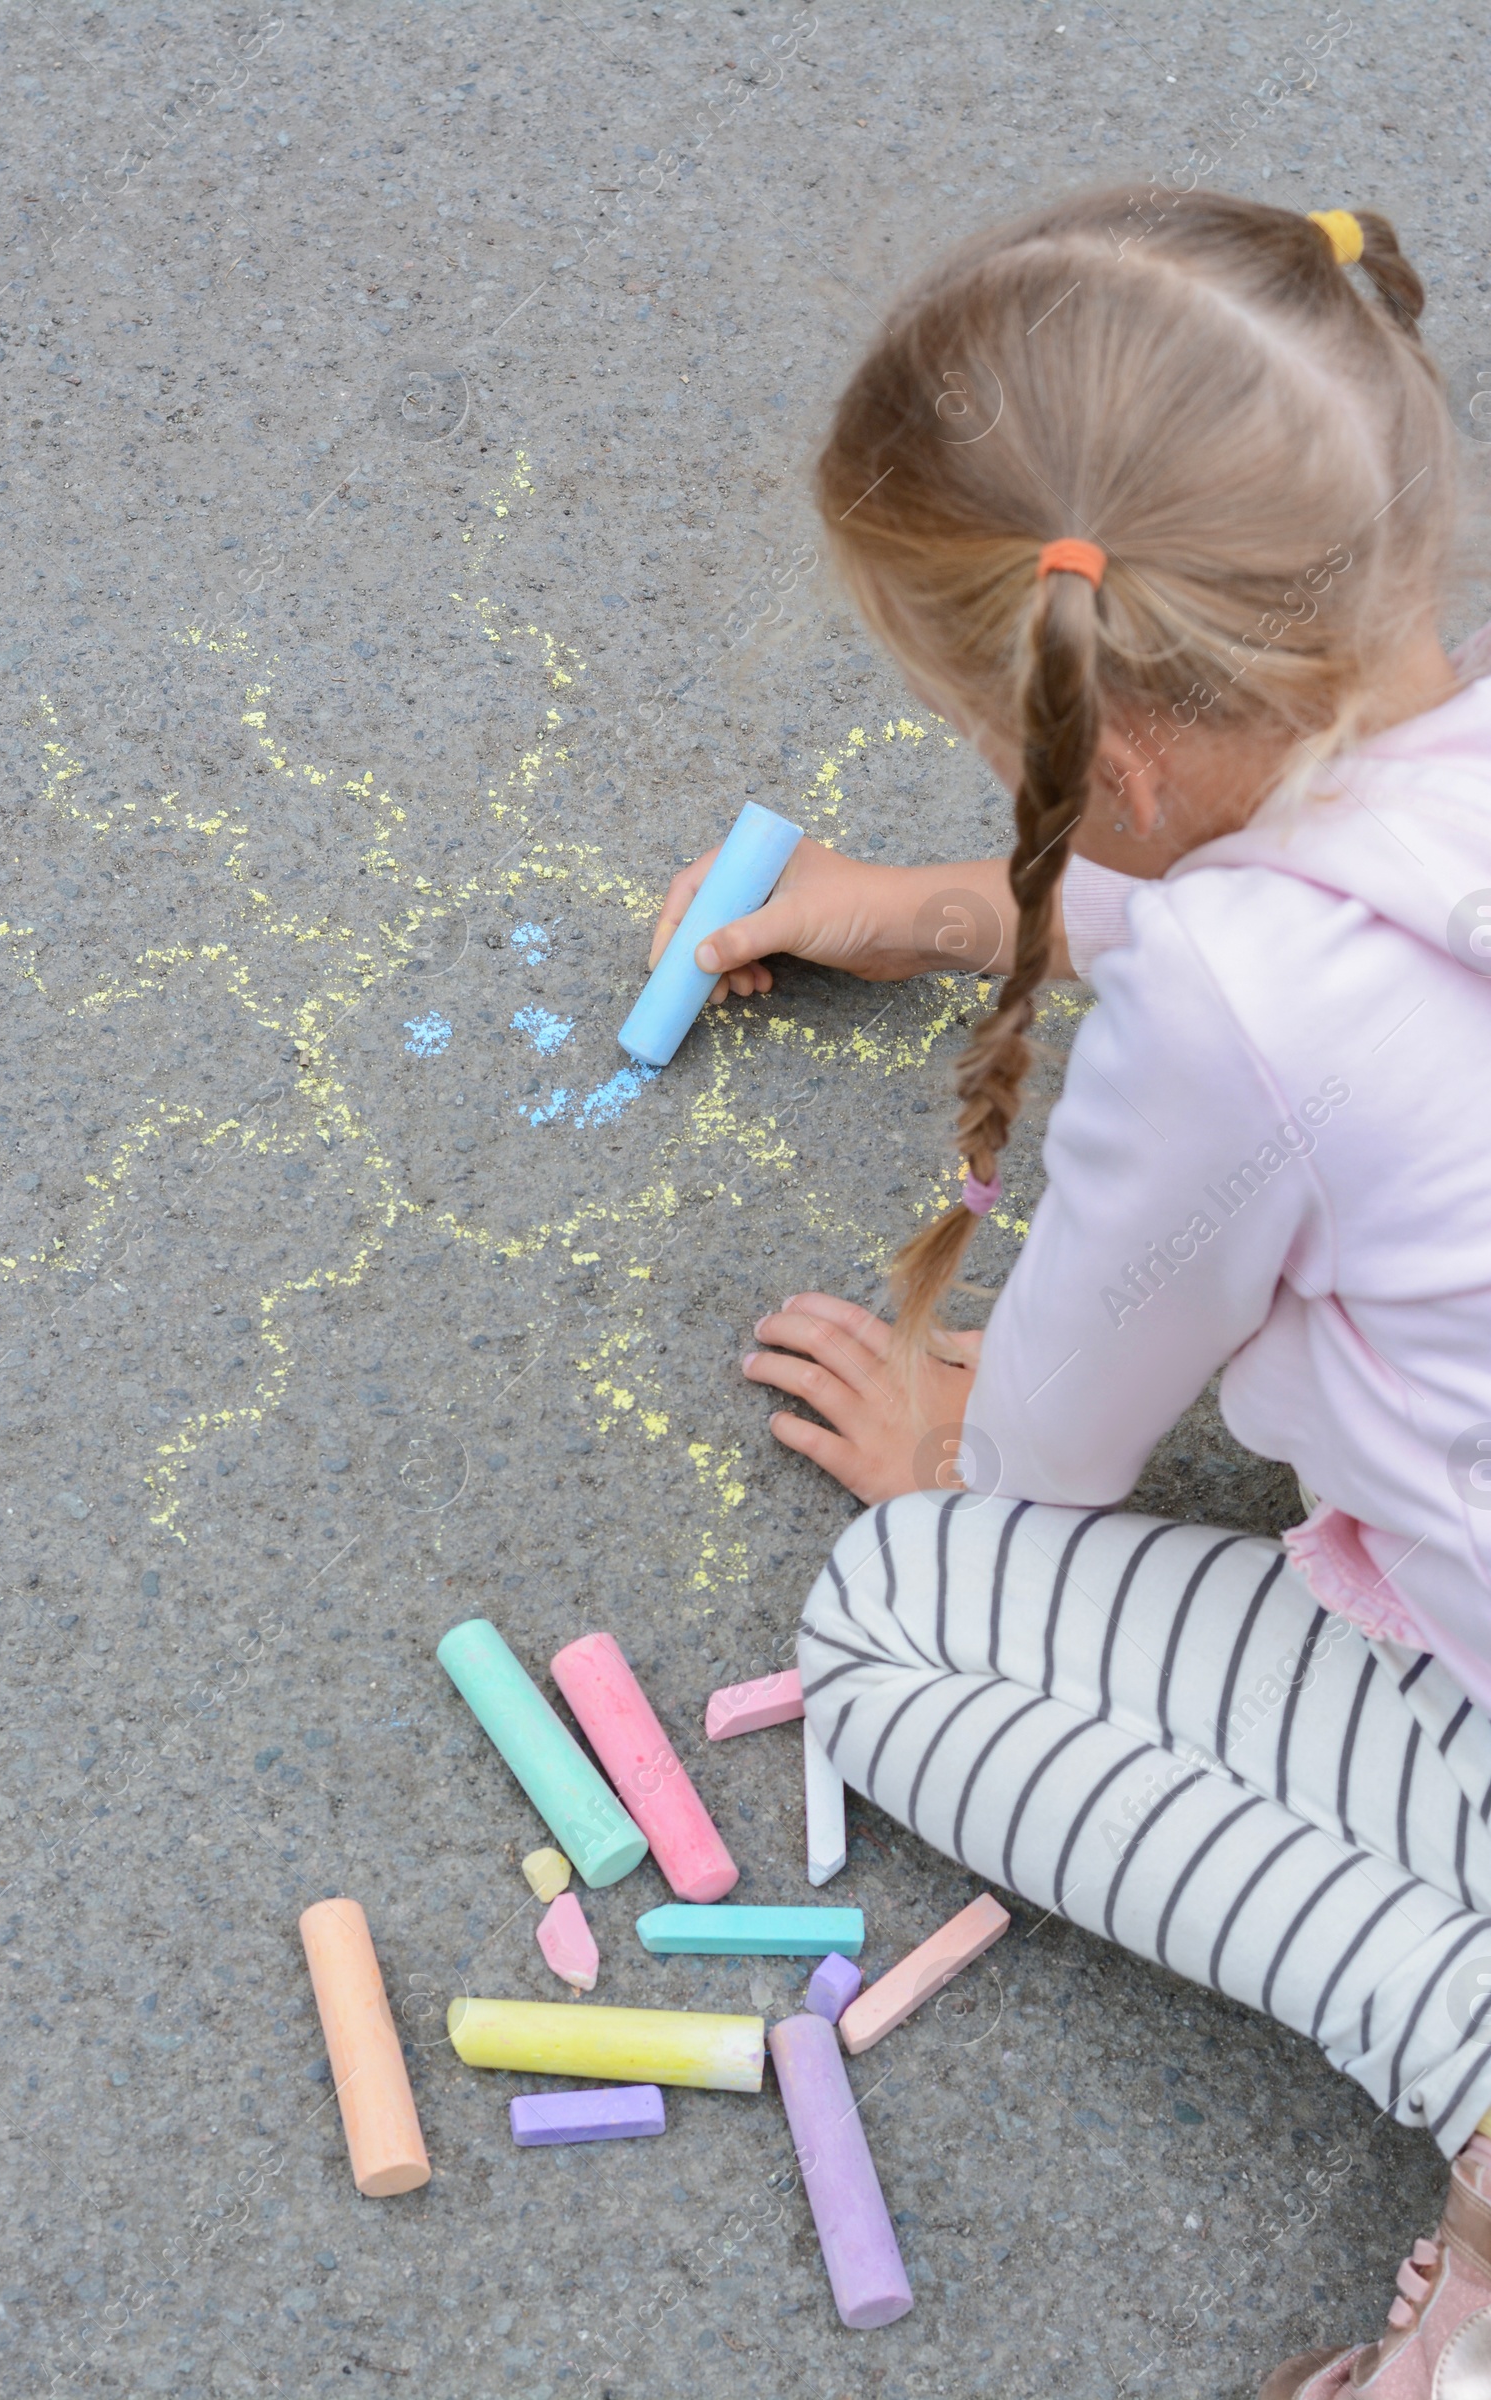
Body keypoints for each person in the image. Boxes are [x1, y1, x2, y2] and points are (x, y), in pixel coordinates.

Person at [648, 192, 1491, 2397]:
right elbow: (1291, 886)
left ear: (1101, 765)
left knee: (901, 1623)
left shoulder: (1235, 994)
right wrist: (934, 912)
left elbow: (1062, 1434)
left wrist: (961, 1453)